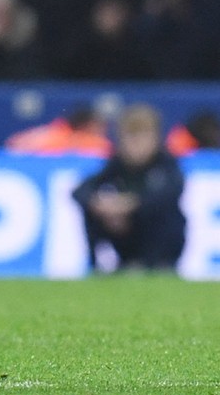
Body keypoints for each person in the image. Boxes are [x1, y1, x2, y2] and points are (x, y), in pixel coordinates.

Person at [72, 105, 186, 272]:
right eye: (131, 138)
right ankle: (96, 265)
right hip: (125, 232)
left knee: (165, 215)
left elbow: (171, 192)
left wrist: (131, 205)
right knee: (91, 211)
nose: (137, 145)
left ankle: (156, 264)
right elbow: (81, 190)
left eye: (143, 138)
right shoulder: (118, 163)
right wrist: (101, 205)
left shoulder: (165, 163)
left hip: (158, 239)